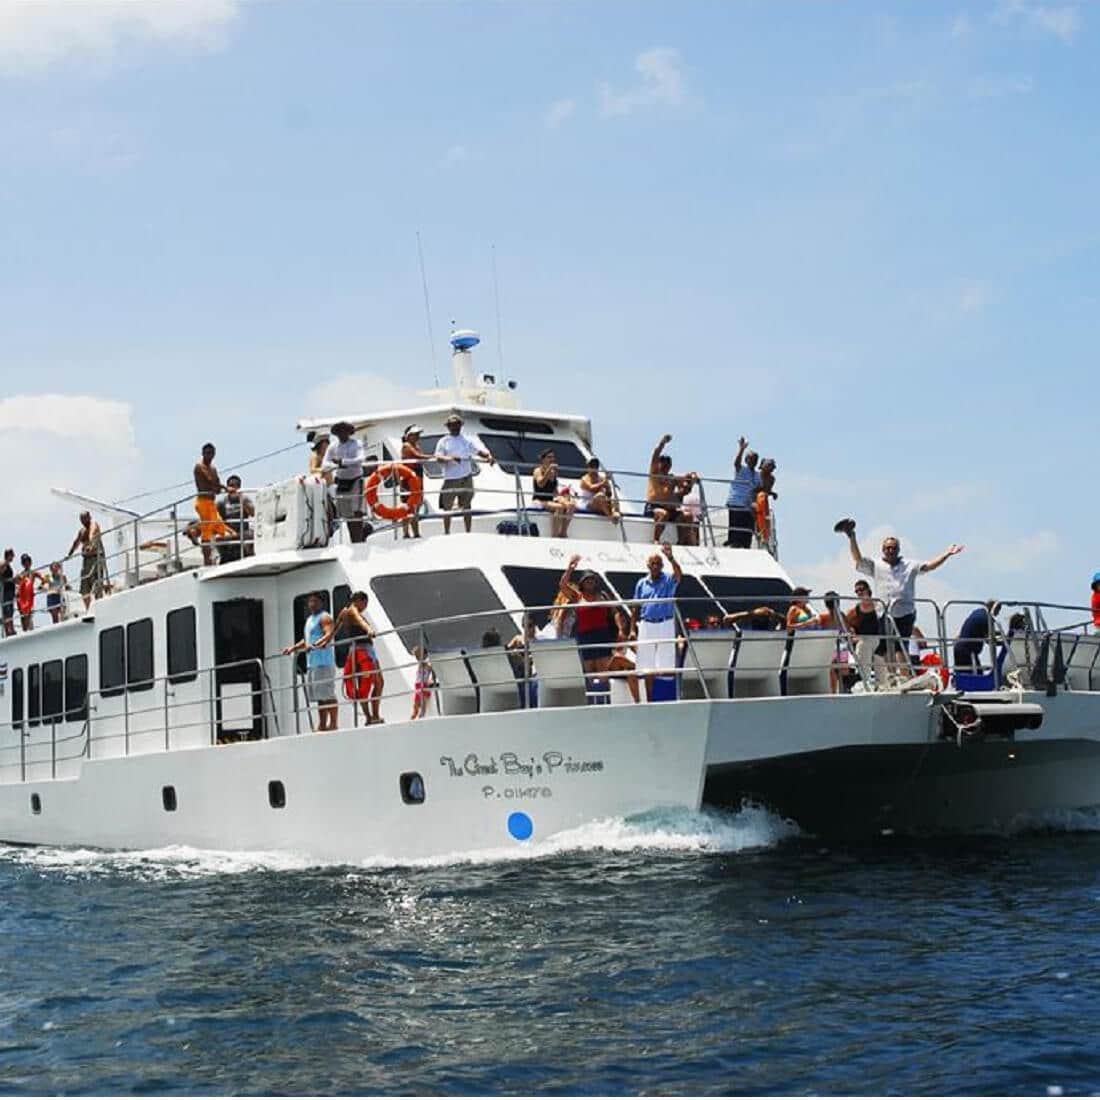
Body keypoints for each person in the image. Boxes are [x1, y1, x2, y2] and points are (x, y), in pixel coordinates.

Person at [841, 521, 964, 643]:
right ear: (883, 550)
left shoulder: (910, 565)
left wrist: (947, 554)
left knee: (900, 647)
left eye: (893, 548)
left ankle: (901, 662)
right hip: (884, 613)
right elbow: (858, 559)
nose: (890, 551)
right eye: (887, 548)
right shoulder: (876, 565)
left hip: (905, 612)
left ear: (898, 550)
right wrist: (852, 537)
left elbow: (930, 566)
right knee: (884, 647)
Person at [560, 555, 638, 702]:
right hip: (585, 637)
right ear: (582, 583)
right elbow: (563, 585)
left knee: (603, 671)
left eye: (592, 579)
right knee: (588, 671)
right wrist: (570, 569)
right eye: (587, 580)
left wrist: (621, 630)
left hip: (602, 635)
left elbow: (615, 613)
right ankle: (589, 703)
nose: (590, 582)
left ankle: (605, 702)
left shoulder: (602, 596)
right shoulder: (577, 597)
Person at [630, 543, 683, 700]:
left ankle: (666, 698)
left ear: (662, 565)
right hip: (646, 624)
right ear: (648, 565)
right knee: (647, 666)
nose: (655, 566)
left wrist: (671, 558)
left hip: (665, 623)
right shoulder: (641, 583)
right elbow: (635, 607)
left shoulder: (668, 579)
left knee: (666, 664)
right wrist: (632, 629)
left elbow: (679, 575)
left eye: (658, 564)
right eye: (652, 563)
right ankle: (650, 699)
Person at [282, 593, 339, 732]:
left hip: (324, 662)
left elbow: (328, 635)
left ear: (321, 602)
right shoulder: (309, 620)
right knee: (319, 696)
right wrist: (293, 648)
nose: (311, 604)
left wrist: (315, 644)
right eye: (310, 602)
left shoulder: (325, 617)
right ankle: (322, 724)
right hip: (312, 663)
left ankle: (333, 724)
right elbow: (307, 639)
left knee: (327, 694)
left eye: (314, 601)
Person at [327, 590, 384, 724]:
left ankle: (369, 717)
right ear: (360, 601)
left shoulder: (343, 612)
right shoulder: (353, 610)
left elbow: (334, 631)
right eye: (365, 603)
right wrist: (369, 629)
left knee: (362, 685)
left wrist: (324, 641)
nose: (365, 606)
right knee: (379, 682)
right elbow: (359, 620)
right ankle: (374, 715)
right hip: (364, 649)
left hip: (354, 651)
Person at [434, 413, 495, 534]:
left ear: (460, 426)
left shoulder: (466, 440)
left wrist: (488, 456)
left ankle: (468, 531)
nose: (455, 427)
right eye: (452, 425)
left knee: (467, 505)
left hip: (466, 477)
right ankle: (447, 532)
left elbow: (478, 452)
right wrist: (451, 458)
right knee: (448, 507)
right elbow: (438, 457)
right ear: (448, 427)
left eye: (457, 424)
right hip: (451, 478)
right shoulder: (444, 441)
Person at [322, 421, 370, 543]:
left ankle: (359, 540)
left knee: (357, 514)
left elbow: (361, 459)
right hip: (342, 482)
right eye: (339, 431)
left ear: (349, 432)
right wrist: (335, 464)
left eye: (344, 431)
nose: (342, 434)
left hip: (356, 480)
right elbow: (325, 464)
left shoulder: (356, 444)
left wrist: (343, 462)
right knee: (348, 516)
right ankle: (355, 541)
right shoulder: (333, 447)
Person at [645, 435, 698, 543]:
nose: (666, 465)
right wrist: (662, 443)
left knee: (688, 516)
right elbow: (655, 456)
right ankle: (656, 540)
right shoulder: (654, 474)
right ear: (659, 464)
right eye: (663, 462)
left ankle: (681, 542)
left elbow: (685, 490)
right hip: (654, 508)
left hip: (671, 510)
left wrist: (692, 480)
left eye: (668, 463)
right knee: (663, 514)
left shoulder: (672, 478)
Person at [725, 437, 761, 549]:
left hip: (748, 505)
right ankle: (733, 545)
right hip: (736, 502)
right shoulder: (741, 469)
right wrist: (741, 449)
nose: (753, 461)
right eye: (751, 459)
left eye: (755, 459)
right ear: (746, 460)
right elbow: (736, 463)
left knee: (747, 532)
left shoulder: (757, 475)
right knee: (736, 533)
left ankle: (746, 546)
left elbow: (758, 489)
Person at [532, 449, 576, 538]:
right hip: (539, 500)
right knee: (560, 508)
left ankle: (563, 532)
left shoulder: (553, 473)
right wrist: (549, 470)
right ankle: (554, 535)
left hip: (550, 500)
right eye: (549, 457)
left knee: (572, 505)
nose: (552, 459)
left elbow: (555, 492)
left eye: (553, 457)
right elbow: (540, 484)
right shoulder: (538, 471)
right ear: (543, 459)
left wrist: (565, 501)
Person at [67, 512, 107, 610]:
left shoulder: (94, 525)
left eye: (85, 518)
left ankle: (99, 606)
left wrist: (90, 545)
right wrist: (69, 554)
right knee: (84, 588)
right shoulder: (82, 531)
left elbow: (92, 534)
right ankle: (88, 609)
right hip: (86, 561)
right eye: (81, 519)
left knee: (97, 584)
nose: (83, 521)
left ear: (89, 517)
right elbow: (76, 542)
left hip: (96, 558)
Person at [400, 425, 433, 539]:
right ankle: (405, 533)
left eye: (418, 434)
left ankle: (416, 532)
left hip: (417, 478)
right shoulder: (406, 446)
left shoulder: (416, 446)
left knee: (416, 507)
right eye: (415, 434)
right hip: (408, 480)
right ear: (409, 436)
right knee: (409, 507)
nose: (418, 436)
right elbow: (416, 456)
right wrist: (433, 456)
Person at [954, 601, 1003, 672]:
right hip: (968, 651)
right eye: (998, 611)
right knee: (976, 676)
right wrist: (1004, 642)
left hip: (960, 647)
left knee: (964, 675)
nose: (997, 614)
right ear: (994, 609)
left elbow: (984, 631)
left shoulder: (978, 612)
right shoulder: (987, 619)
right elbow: (989, 640)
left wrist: (999, 633)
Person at [217, 475, 255, 563]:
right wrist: (229, 532)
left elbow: (252, 513)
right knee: (217, 538)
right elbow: (216, 520)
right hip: (229, 533)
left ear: (239, 487)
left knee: (251, 535)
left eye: (235, 485)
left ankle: (250, 558)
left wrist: (242, 500)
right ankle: (222, 558)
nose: (233, 488)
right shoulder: (222, 502)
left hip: (243, 532)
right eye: (230, 485)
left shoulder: (245, 499)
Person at [507, 613, 539, 708]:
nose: (527, 629)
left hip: (531, 671)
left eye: (530, 626)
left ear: (535, 626)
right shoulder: (518, 639)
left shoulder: (537, 642)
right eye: (524, 626)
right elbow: (507, 650)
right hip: (520, 671)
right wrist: (515, 653)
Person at [578, 457, 621, 523]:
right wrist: (603, 483)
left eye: (596, 465)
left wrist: (608, 487)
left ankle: (614, 513)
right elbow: (591, 488)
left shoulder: (601, 478)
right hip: (588, 504)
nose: (594, 467)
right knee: (600, 496)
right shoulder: (584, 479)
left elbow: (609, 494)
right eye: (592, 466)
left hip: (600, 503)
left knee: (614, 500)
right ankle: (611, 517)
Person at [16, 554, 45, 632]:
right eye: (24, 561)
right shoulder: (21, 574)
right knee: (22, 616)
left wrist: (40, 586)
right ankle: (25, 631)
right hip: (21, 596)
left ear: (30, 562)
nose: (26, 563)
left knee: (28, 615)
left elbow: (44, 579)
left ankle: (30, 631)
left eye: (27, 561)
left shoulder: (33, 572)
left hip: (28, 596)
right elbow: (17, 584)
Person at [410, 645, 434, 720]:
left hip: (423, 685)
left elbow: (432, 671)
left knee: (421, 702)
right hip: (418, 685)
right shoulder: (422, 664)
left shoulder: (426, 665)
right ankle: (414, 716)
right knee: (416, 704)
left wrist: (431, 680)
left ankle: (421, 715)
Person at [0, 548, 15, 637]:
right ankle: (8, 630)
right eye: (12, 555)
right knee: (6, 610)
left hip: (10, 590)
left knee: (10, 610)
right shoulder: (3, 563)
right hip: (5, 591)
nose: (13, 557)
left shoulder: (8, 565)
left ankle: (11, 628)